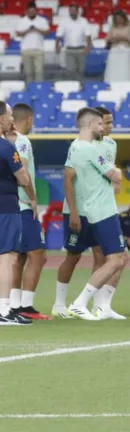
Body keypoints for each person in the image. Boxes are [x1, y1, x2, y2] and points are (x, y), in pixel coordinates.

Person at [53, 106, 122, 317]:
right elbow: (115, 175)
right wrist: (73, 211)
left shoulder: (78, 146)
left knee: (108, 256)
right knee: (111, 258)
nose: (104, 127)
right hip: (94, 211)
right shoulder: (89, 149)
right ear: (91, 124)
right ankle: (73, 303)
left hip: (95, 210)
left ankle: (99, 306)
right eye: (101, 123)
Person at [6, 103, 48, 320]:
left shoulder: (7, 141)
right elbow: (20, 171)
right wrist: (32, 198)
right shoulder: (21, 142)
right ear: (29, 119)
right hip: (21, 206)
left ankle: (14, 305)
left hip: (12, 206)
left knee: (18, 257)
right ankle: (25, 306)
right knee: (37, 254)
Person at [0, 101, 36, 325]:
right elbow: (23, 178)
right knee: (7, 256)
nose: (13, 120)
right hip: (5, 206)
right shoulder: (6, 148)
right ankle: (4, 308)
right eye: (10, 115)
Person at [15, 1, 49, 83]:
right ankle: (30, 89)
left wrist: (37, 29)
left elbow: (47, 33)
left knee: (39, 72)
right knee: (28, 72)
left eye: (33, 11)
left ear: (36, 11)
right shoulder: (22, 21)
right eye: (30, 11)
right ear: (26, 11)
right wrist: (28, 30)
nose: (31, 13)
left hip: (38, 49)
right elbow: (18, 33)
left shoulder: (42, 20)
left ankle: (39, 88)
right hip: (26, 50)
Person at [56, 4, 92, 76]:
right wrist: (57, 46)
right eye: (71, 10)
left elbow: (88, 35)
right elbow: (59, 35)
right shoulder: (64, 21)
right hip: (69, 50)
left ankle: (81, 85)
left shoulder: (83, 21)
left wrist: (88, 47)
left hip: (81, 50)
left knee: (81, 71)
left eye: (74, 10)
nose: (72, 12)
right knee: (70, 71)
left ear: (77, 11)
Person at [104, 10, 130, 83]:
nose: (118, 20)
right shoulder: (113, 27)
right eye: (117, 18)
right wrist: (114, 39)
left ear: (124, 18)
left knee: (124, 69)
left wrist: (122, 38)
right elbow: (107, 38)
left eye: (120, 18)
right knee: (113, 69)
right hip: (114, 50)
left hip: (125, 50)